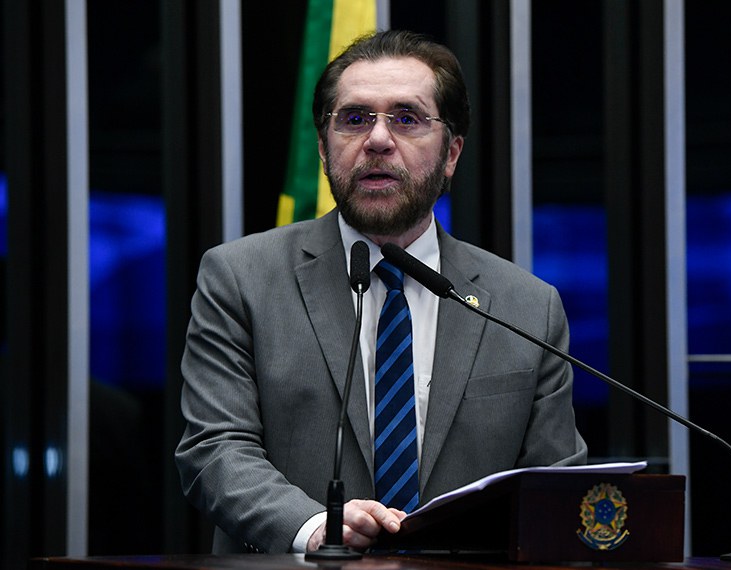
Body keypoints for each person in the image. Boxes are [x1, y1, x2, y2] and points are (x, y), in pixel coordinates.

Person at [175, 29, 587, 555]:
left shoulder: (527, 307)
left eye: (407, 118)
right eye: (354, 119)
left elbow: (554, 489)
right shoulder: (240, 278)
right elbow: (214, 448)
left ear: (452, 153)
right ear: (323, 148)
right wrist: (314, 527)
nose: (377, 139)